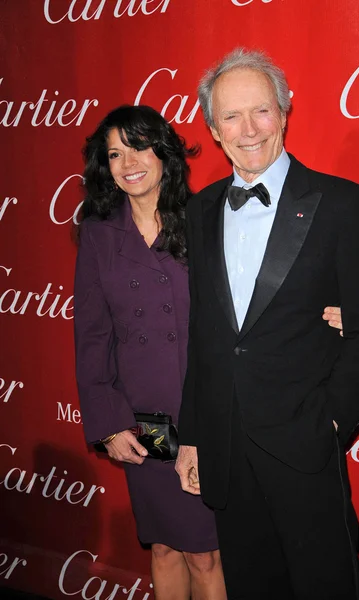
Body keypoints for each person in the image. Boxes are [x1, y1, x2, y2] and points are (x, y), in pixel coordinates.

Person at [175, 48, 359, 600]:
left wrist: (335, 421)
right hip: (226, 448)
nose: (248, 130)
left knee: (329, 587)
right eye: (231, 116)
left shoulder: (344, 205)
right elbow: (207, 335)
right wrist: (195, 436)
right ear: (213, 130)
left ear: (285, 112)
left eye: (261, 111)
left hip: (306, 443)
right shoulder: (199, 213)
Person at [74, 105, 226, 600]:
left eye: (139, 147)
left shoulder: (205, 219)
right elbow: (93, 335)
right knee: (162, 545)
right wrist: (108, 422)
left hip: (202, 410)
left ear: (163, 153)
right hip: (144, 418)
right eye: (115, 153)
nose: (128, 162)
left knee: (205, 553)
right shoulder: (98, 234)